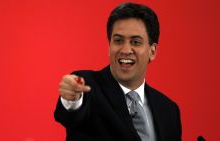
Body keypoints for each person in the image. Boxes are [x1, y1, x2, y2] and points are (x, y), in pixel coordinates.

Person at [54, 2, 182, 141]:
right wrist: (72, 100)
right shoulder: (88, 87)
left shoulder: (169, 110)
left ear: (152, 51)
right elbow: (72, 113)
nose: (125, 50)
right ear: (109, 47)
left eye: (135, 42)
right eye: (118, 40)